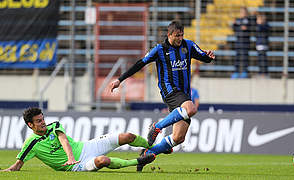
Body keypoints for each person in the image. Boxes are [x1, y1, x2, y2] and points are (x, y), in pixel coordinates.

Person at [109, 20, 215, 171]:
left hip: (184, 94)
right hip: (170, 91)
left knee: (178, 138)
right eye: (177, 35)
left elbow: (204, 57)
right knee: (191, 109)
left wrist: (209, 56)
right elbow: (140, 63)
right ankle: (156, 127)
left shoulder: (188, 45)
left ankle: (147, 153)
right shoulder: (159, 50)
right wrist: (120, 80)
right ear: (169, 34)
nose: (180, 38)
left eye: (182, 35)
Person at [1, 107, 155, 172]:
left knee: (127, 136)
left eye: (43, 119)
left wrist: (70, 157)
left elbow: (64, 140)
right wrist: (4, 171)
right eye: (39, 121)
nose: (43, 123)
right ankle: (139, 162)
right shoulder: (31, 144)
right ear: (30, 124)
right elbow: (17, 165)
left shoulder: (53, 126)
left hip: (86, 147)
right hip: (77, 166)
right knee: (103, 161)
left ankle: (150, 144)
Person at [231, 7, 252, 78]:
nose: (243, 13)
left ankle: (244, 72)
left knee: (245, 57)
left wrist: (245, 28)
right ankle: (236, 72)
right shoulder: (237, 20)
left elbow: (251, 28)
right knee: (237, 57)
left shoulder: (249, 20)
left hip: (245, 42)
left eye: (244, 12)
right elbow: (234, 29)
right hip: (238, 41)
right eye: (241, 12)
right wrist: (234, 24)